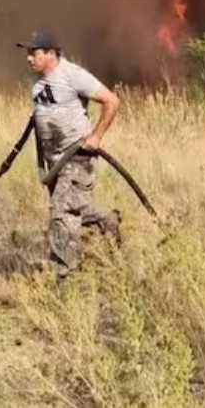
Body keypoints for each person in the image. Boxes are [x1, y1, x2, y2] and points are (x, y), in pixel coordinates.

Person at [16, 30, 123, 282]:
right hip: (54, 161)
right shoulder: (38, 82)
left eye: (34, 53)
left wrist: (96, 137)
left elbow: (111, 101)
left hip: (76, 158)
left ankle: (67, 278)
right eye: (27, 53)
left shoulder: (72, 75)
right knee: (75, 210)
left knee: (61, 214)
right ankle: (107, 221)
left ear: (51, 53)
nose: (29, 58)